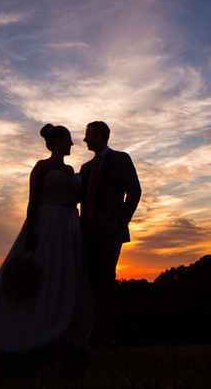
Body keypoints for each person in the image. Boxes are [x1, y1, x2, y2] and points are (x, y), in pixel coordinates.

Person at [0, 124, 93, 353]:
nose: (72, 144)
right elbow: (33, 201)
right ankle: (35, 327)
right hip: (48, 224)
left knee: (64, 275)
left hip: (69, 228)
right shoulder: (41, 167)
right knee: (46, 273)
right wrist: (32, 234)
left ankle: (63, 325)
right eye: (67, 139)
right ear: (57, 142)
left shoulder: (72, 171)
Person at [79, 121, 141, 347]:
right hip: (87, 233)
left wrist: (119, 222)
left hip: (110, 233)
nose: (85, 140)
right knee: (89, 284)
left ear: (101, 135)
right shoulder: (85, 168)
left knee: (105, 282)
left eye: (88, 135)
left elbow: (134, 191)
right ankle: (88, 333)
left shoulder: (121, 159)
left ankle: (105, 337)